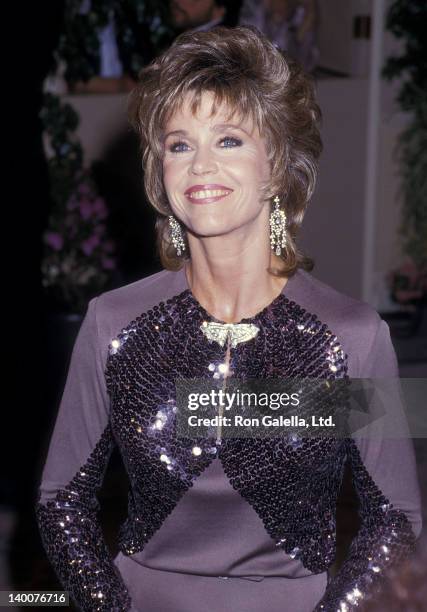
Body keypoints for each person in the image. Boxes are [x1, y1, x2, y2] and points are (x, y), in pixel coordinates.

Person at [35, 26, 422, 612]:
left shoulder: (351, 336)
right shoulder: (112, 324)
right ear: (159, 173)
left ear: (276, 166)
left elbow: (394, 519)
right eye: (180, 144)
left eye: (230, 140)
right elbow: (61, 501)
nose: (200, 165)